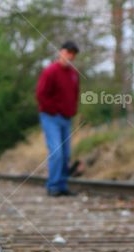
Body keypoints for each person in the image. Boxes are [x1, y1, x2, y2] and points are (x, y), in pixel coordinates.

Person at [36, 41, 80, 197]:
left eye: (73, 54)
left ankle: (62, 185)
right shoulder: (50, 72)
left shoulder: (73, 74)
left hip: (66, 118)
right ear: (61, 52)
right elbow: (41, 95)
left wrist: (72, 110)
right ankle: (53, 186)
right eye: (68, 52)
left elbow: (74, 95)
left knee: (66, 154)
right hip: (51, 117)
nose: (70, 56)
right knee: (56, 152)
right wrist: (53, 110)